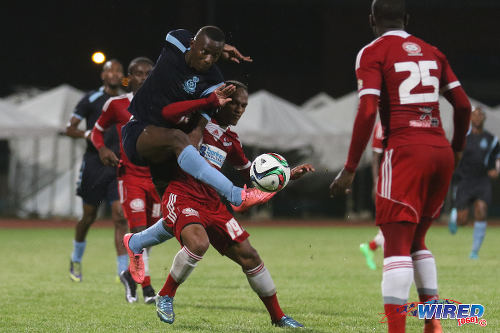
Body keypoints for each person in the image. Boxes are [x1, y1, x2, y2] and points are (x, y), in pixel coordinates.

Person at [329, 1, 471, 332]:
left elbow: (367, 111)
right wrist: (458, 148)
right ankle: (433, 326)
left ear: (371, 20)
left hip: (406, 151)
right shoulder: (432, 51)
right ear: (407, 19)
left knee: (395, 246)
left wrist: (350, 167)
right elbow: (463, 105)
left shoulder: (372, 52)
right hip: (440, 151)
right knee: (418, 241)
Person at [124, 81, 314, 328]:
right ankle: (166, 295)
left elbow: (251, 176)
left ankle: (278, 317)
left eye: (243, 105)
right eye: (234, 103)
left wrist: (284, 176)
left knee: (250, 257)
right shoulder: (194, 122)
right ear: (221, 100)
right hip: (180, 192)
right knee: (198, 242)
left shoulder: (231, 140)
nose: (238, 109)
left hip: (212, 201)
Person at [121, 25, 270, 213]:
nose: (208, 60)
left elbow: (197, 129)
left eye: (214, 56)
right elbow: (166, 113)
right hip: (139, 131)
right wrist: (220, 48)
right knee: (177, 138)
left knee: (180, 218)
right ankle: (235, 195)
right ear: (192, 44)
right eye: (204, 52)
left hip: (166, 151)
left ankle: (134, 242)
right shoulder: (177, 41)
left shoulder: (214, 80)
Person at [91, 57, 160, 303]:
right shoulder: (117, 104)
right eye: (138, 73)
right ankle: (148, 288)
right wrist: (101, 149)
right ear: (129, 78)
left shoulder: (163, 105)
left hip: (157, 179)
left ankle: (132, 275)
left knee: (152, 234)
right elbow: (97, 131)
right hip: (130, 177)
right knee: (138, 231)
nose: (143, 77)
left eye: (148, 73)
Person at [65, 59, 128, 282]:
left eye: (119, 70)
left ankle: (123, 271)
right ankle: (76, 258)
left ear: (123, 75)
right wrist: (87, 134)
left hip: (118, 166)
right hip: (93, 164)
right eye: (110, 69)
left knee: (120, 217)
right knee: (89, 216)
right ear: (103, 75)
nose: (114, 73)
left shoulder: (126, 100)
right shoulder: (91, 98)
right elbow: (69, 128)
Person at [448, 106, 499, 259]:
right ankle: (455, 216)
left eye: (480, 115)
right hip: (465, 180)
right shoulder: (463, 137)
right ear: (470, 118)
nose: (478, 117)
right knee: (463, 221)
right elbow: (454, 155)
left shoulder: (492, 139)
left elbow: (497, 158)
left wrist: (496, 169)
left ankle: (474, 251)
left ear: (484, 118)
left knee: (481, 211)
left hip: (482, 180)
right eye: (475, 115)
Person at [360, 121, 385, 270]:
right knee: (392, 225)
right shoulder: (381, 125)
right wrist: (376, 182)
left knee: (392, 227)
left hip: (405, 178)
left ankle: (370, 247)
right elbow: (376, 157)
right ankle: (392, 265)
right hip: (389, 182)